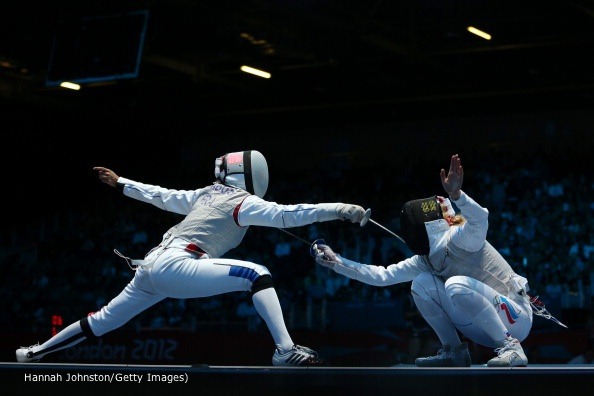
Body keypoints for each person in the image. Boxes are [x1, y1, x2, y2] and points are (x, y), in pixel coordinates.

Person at [16, 150, 367, 366]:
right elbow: (291, 214)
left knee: (103, 321)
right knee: (256, 274)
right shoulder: (243, 201)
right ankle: (284, 350)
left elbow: (162, 196)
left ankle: (34, 353)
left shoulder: (206, 194)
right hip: (176, 265)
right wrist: (340, 209)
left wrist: (121, 182)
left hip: (152, 267)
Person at [313, 154, 564, 367]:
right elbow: (381, 276)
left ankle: (513, 349)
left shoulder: (462, 238)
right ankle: (454, 351)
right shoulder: (423, 261)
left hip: (516, 319)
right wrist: (337, 262)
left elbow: (481, 218)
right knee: (420, 284)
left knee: (455, 284)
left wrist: (457, 195)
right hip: (480, 326)